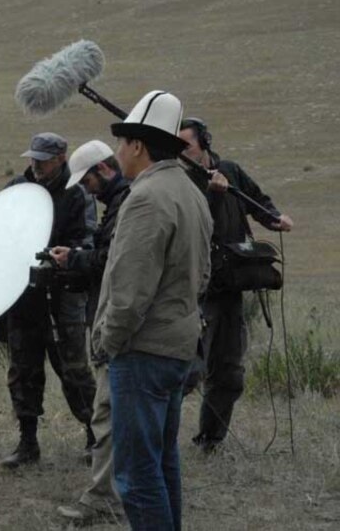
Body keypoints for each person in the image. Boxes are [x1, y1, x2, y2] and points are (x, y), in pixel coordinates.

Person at [91, 91, 213, 530]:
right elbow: (203, 276)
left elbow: (129, 292)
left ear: (138, 146)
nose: (118, 151)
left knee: (137, 475)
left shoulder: (145, 198)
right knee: (162, 463)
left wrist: (108, 342)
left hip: (142, 352)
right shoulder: (191, 193)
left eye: (121, 142)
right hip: (177, 347)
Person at [0, 132, 97, 468]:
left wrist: (66, 257)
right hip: (21, 297)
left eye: (43, 159)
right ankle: (28, 444)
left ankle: (95, 437)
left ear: (61, 158)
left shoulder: (77, 194)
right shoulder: (18, 187)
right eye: (33, 158)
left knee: (73, 370)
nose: (36, 165)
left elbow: (87, 241)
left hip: (62, 298)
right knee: (22, 371)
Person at [179, 117, 294, 453]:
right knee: (187, 371)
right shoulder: (182, 183)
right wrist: (213, 195)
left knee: (229, 371)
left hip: (229, 288)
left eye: (187, 144)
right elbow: (196, 225)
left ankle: (210, 440)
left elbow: (256, 199)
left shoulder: (230, 170)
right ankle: (154, 436)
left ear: (205, 142)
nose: (182, 151)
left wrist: (275, 219)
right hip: (196, 290)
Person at [49, 140, 130, 525]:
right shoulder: (120, 203)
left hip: (117, 323)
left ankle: (104, 498)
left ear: (104, 169)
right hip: (116, 318)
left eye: (88, 181)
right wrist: (79, 257)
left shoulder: (127, 203)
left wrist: (76, 259)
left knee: (107, 413)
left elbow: (114, 262)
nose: (87, 190)